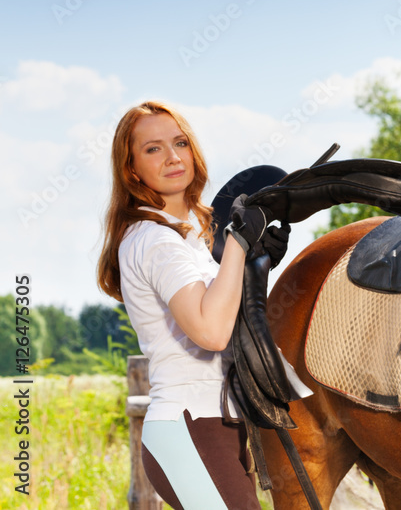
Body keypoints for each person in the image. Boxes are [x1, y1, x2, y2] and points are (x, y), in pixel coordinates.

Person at [97, 101, 289, 510]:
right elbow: (211, 333)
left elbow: (230, 323)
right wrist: (237, 244)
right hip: (189, 426)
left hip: (217, 424)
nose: (171, 156)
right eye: (153, 148)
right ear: (131, 169)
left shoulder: (187, 242)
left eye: (179, 142)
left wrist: (254, 267)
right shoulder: (155, 240)